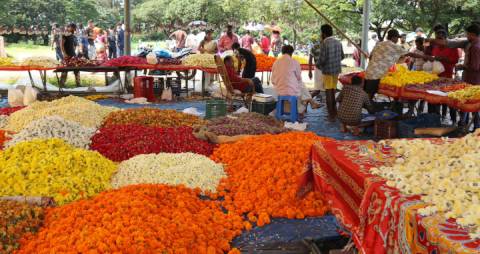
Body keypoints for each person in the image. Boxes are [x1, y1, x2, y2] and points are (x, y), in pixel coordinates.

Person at [364, 29, 429, 100]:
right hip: (376, 75)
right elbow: (410, 54)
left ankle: (366, 107)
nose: (397, 40)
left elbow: (370, 57)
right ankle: (364, 108)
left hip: (369, 71)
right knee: (368, 97)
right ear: (393, 37)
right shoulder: (394, 46)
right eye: (397, 38)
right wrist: (425, 57)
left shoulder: (379, 44)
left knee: (368, 94)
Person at [271, 45, 321, 116]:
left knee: (299, 84)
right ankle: (311, 101)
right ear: (291, 53)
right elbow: (298, 77)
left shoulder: (275, 63)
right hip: (291, 92)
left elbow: (273, 80)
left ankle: (311, 101)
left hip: (278, 91)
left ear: (282, 52)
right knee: (300, 83)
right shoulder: (294, 62)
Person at [317, 24, 344, 121]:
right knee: (333, 90)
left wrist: (318, 65)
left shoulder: (324, 43)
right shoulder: (338, 42)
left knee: (328, 92)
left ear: (323, 33)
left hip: (328, 70)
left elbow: (322, 59)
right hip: (336, 70)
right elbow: (342, 56)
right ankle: (335, 112)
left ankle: (331, 115)